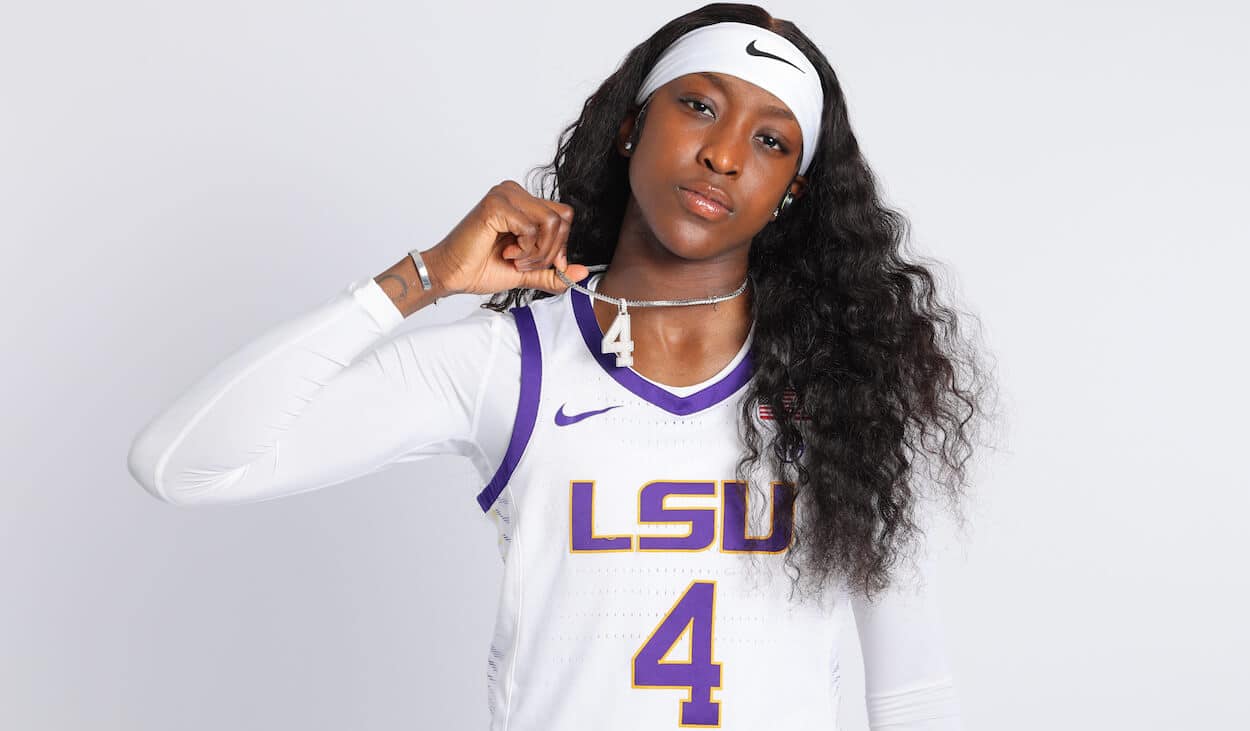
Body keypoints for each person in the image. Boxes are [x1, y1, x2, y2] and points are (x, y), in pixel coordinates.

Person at [128, 4, 993, 729]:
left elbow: (909, 689)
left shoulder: (844, 390)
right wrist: (422, 279)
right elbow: (183, 465)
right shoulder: (510, 363)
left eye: (770, 140)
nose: (724, 155)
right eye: (699, 105)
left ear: (792, 190)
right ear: (632, 125)